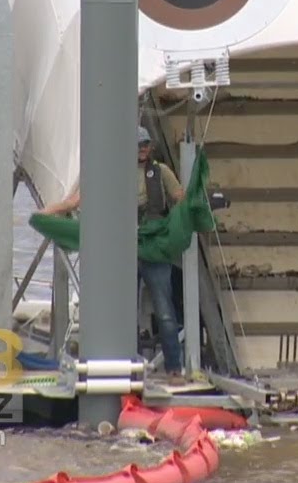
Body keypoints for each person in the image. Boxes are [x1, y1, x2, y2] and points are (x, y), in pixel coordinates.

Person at [40, 125, 188, 384]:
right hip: (123, 250)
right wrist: (49, 213)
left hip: (153, 247)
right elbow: (79, 201)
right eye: (138, 145)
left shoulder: (161, 172)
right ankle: (128, 365)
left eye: (146, 145)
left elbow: (179, 196)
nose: (143, 150)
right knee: (123, 311)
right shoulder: (113, 173)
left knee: (165, 311)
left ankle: (174, 368)